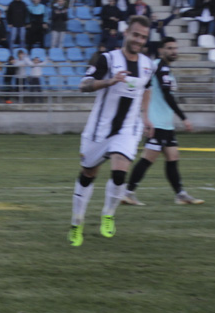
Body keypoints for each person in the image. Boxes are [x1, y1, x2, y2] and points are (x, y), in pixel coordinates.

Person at [69, 16, 156, 247]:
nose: (139, 40)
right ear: (126, 32)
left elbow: (147, 87)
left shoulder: (148, 64)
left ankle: (108, 214)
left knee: (120, 172)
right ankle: (77, 222)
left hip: (128, 128)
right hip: (99, 129)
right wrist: (109, 82)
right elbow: (83, 85)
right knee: (88, 174)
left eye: (143, 37)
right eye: (136, 35)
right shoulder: (107, 59)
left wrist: (146, 116)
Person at [121, 38, 204, 206]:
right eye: (169, 48)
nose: (174, 51)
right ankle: (128, 192)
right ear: (161, 50)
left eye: (175, 48)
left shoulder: (162, 68)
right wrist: (184, 117)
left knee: (172, 157)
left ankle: (180, 195)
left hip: (165, 123)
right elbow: (167, 95)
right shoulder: (161, 67)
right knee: (148, 158)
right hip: (157, 122)